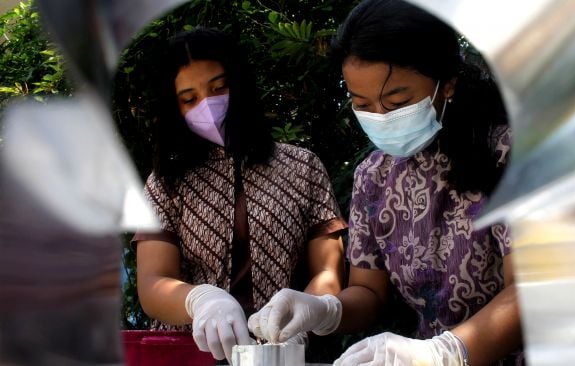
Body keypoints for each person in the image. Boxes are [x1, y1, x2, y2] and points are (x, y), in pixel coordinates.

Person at [248, 0, 523, 365]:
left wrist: (445, 354)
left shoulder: (511, 151)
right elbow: (367, 292)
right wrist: (323, 309)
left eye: (397, 101)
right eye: (362, 103)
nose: (380, 118)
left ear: (448, 83)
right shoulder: (373, 178)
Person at [132, 28, 347, 365]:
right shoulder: (166, 182)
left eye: (218, 88)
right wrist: (201, 300)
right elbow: (152, 283)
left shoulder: (302, 166)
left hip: (279, 355)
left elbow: (328, 272)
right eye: (189, 99)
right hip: (187, 355)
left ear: (241, 83)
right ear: (176, 108)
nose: (207, 104)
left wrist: (306, 314)